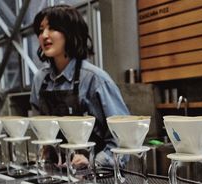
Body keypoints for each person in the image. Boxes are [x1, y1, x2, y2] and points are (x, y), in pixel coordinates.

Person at [30, 5, 130, 167]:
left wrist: (93, 162)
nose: (44, 35)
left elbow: (125, 139)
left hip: (98, 180)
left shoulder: (95, 80)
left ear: (71, 33)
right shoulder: (40, 80)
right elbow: (42, 132)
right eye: (41, 30)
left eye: (53, 28)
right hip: (57, 175)